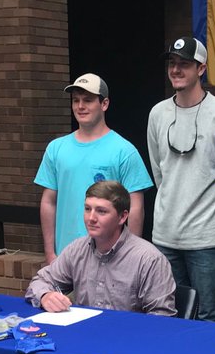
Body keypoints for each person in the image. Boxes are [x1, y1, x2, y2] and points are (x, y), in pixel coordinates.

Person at [147, 36, 215, 322]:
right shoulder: (157, 114)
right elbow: (159, 170)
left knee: (209, 317)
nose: (176, 70)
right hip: (165, 237)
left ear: (201, 69)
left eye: (184, 64)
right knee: (167, 314)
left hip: (208, 240)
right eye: (172, 64)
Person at [35, 74, 153, 264]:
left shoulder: (124, 151)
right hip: (65, 259)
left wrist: (131, 256)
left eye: (88, 100)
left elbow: (135, 207)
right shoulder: (56, 149)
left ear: (104, 104)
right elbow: (49, 202)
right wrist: (50, 253)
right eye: (76, 100)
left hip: (110, 260)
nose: (80, 106)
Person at [25, 181, 175, 316]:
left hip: (129, 341)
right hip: (84, 337)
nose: (91, 218)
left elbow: (162, 318)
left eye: (101, 211)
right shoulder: (77, 249)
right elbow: (40, 281)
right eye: (87, 209)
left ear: (122, 217)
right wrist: (45, 296)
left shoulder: (149, 259)